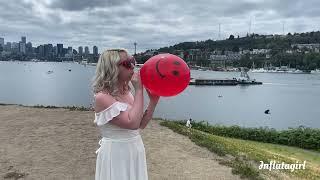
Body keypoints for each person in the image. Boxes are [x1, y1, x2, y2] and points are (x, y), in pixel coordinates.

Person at [92, 48, 160, 180]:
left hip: (135, 148)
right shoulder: (102, 97)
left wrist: (153, 102)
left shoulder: (127, 93)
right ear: (112, 68)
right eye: (128, 63)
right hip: (117, 152)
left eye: (133, 61)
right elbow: (132, 123)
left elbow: (141, 124)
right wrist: (139, 90)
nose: (133, 67)